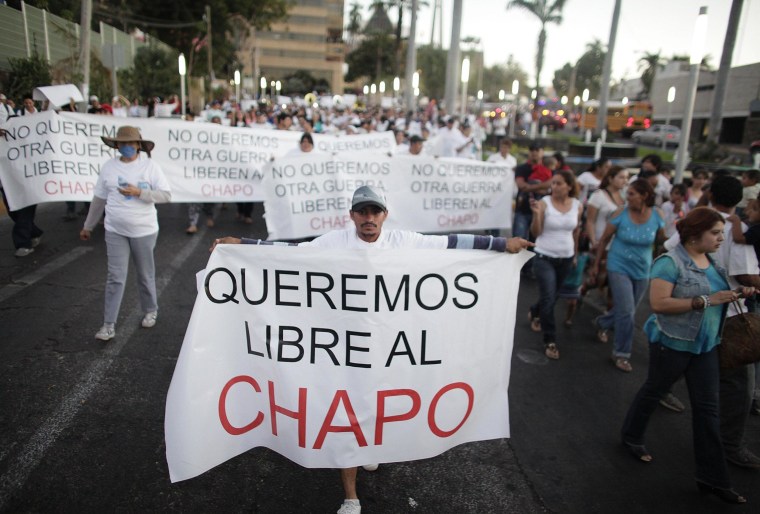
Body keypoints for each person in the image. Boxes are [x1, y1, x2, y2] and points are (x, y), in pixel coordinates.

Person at [211, 185, 534, 514]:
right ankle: (351, 495)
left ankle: (371, 446)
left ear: (385, 215)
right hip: (342, 347)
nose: (369, 218)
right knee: (346, 410)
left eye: (374, 212)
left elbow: (452, 244)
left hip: (387, 346)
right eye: (362, 212)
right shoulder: (334, 242)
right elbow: (288, 253)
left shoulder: (403, 241)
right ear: (351, 215)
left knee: (379, 403)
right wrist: (243, 246)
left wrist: (501, 244)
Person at [621, 207, 753, 504]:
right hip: (673, 343)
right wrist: (707, 300)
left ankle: (713, 479)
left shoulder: (711, 260)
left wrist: (738, 292)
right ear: (694, 236)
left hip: (706, 346)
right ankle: (631, 436)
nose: (722, 238)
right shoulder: (669, 263)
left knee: (708, 412)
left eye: (722, 232)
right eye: (716, 233)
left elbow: (718, 293)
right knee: (653, 391)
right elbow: (659, 304)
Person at [664, 175, 760, 469]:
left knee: (689, 362)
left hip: (695, 311)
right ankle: (729, 445)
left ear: (711, 193)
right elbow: (745, 275)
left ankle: (657, 394)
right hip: (724, 318)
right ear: (740, 197)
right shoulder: (735, 228)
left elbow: (670, 246)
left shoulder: (699, 219)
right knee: (738, 385)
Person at [80, 126, 172, 341]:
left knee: (144, 273)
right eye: (122, 143)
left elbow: (166, 195)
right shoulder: (109, 167)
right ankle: (108, 325)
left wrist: (139, 192)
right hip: (115, 230)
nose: (127, 147)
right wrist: (88, 225)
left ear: (139, 145)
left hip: (144, 230)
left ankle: (151, 309)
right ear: (116, 145)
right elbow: (99, 200)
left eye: (131, 143)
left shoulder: (150, 166)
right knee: (115, 277)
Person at [590, 179, 665, 372]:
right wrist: (596, 265)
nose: (626, 197)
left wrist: (661, 267)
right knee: (627, 312)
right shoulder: (620, 213)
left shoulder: (658, 215)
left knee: (626, 310)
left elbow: (661, 243)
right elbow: (604, 239)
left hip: (643, 270)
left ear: (644, 196)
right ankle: (621, 353)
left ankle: (602, 322)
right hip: (618, 266)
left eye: (631, 194)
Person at [527, 170, 583, 359]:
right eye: (553, 183)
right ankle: (550, 340)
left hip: (565, 257)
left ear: (569, 186)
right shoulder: (544, 203)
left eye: (559, 183)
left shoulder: (577, 205)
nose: (554, 187)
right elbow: (536, 232)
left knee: (552, 296)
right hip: (544, 255)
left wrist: (574, 255)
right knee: (549, 297)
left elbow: (576, 232)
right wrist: (536, 215)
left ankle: (535, 311)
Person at [513, 143, 552, 240]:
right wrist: (541, 188)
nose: (534, 152)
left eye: (537, 150)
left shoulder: (549, 168)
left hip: (542, 211)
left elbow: (550, 186)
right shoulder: (521, 168)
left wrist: (529, 187)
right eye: (531, 150)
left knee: (537, 243)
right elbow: (521, 185)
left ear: (542, 152)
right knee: (519, 241)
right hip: (523, 210)